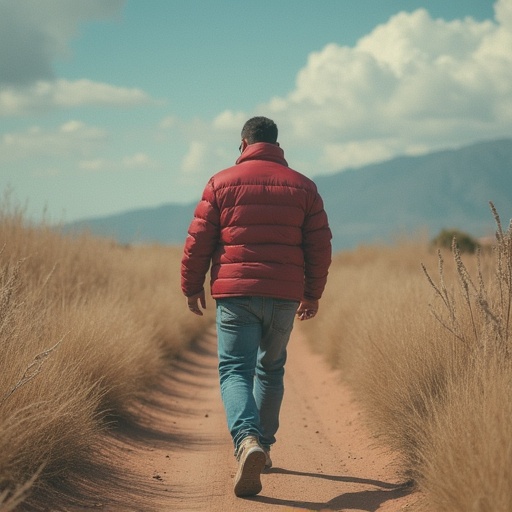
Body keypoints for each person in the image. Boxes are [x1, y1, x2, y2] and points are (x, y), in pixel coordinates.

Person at [181, 116, 332, 497]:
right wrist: (312, 293)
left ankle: (248, 440)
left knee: (235, 368)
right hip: (283, 295)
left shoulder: (220, 182)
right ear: (276, 144)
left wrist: (191, 285)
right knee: (272, 367)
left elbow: (199, 239)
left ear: (243, 142)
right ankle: (263, 444)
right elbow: (319, 246)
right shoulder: (304, 186)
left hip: (235, 295)